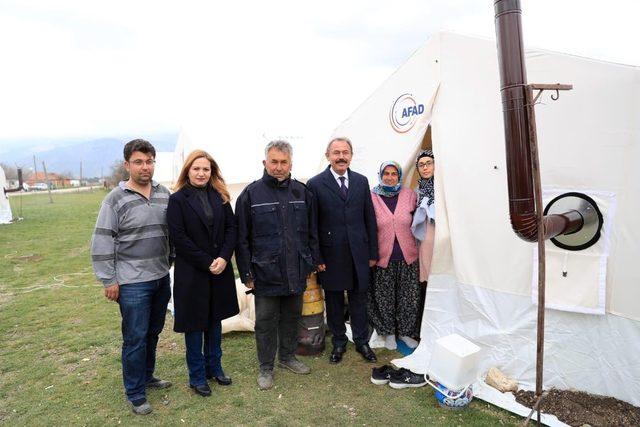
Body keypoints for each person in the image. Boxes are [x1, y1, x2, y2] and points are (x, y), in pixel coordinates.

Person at [91, 139, 172, 415]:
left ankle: (147, 377)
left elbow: (172, 233)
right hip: (132, 282)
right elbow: (102, 241)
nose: (144, 166)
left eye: (149, 161)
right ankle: (135, 392)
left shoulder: (164, 194)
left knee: (153, 332)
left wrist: (169, 262)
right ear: (127, 165)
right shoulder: (115, 199)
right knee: (135, 337)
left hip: (161, 277)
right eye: (138, 161)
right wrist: (108, 279)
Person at [235, 140, 319, 390]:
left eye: (284, 162)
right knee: (266, 321)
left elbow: (311, 231)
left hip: (296, 269)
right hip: (265, 272)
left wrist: (311, 262)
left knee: (292, 316)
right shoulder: (251, 194)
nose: (279, 167)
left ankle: (287, 357)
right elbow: (242, 238)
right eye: (274, 162)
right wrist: (246, 272)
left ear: (291, 163)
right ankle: (265, 367)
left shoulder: (302, 193)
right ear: (265, 162)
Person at [167, 150, 239, 397]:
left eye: (206, 169)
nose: (201, 173)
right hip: (193, 272)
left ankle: (215, 368)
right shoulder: (177, 200)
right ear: (188, 170)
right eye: (196, 169)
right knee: (194, 326)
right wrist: (207, 261)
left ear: (212, 172)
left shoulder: (219, 196)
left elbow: (232, 229)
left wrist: (223, 257)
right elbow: (179, 237)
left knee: (215, 322)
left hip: (219, 269)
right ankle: (196, 376)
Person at [306, 137, 378, 364]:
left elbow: (369, 218)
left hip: (359, 252)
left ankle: (361, 341)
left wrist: (373, 253)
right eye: (336, 152)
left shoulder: (361, 181)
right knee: (335, 300)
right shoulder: (315, 184)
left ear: (351, 155)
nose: (341, 156)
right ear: (328, 156)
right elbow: (312, 224)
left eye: (345, 152)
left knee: (359, 298)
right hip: (330, 255)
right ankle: (338, 342)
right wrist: (316, 257)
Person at [368, 161, 420, 351]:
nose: (390, 177)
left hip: (408, 257)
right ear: (380, 175)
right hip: (383, 257)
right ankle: (388, 333)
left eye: (394, 174)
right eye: (386, 174)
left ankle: (405, 333)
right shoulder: (371, 197)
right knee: (384, 297)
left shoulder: (409, 195)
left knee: (409, 298)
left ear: (399, 175)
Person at [411, 149, 436, 329]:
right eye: (421, 165)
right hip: (424, 242)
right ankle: (424, 326)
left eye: (429, 163)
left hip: (440, 241)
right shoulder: (416, 191)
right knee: (425, 283)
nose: (425, 168)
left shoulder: (444, 189)